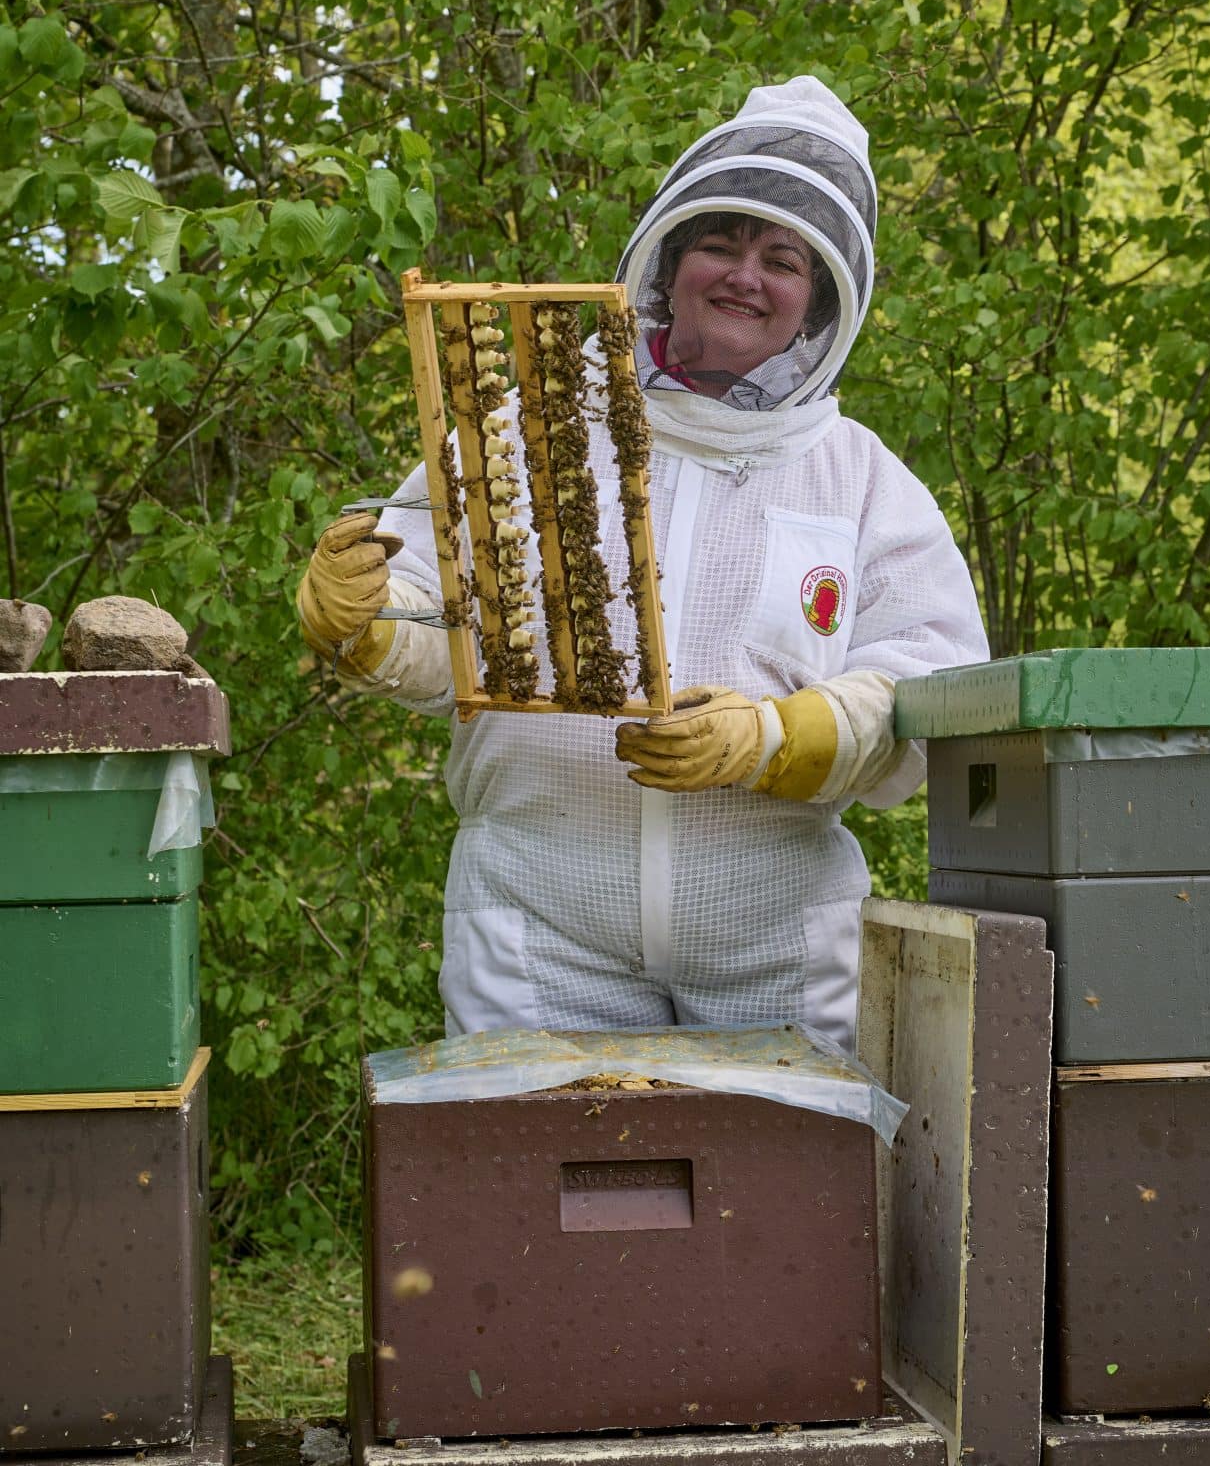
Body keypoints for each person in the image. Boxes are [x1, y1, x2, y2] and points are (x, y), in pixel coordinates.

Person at [297, 77, 988, 1051]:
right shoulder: (530, 431)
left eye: (782, 257)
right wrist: (366, 617)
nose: (746, 274)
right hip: (538, 926)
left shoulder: (864, 482)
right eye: (722, 241)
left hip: (774, 941)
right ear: (669, 257)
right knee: (526, 1187)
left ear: (822, 295)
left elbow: (936, 684)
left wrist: (775, 737)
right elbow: (444, 610)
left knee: (791, 1197)